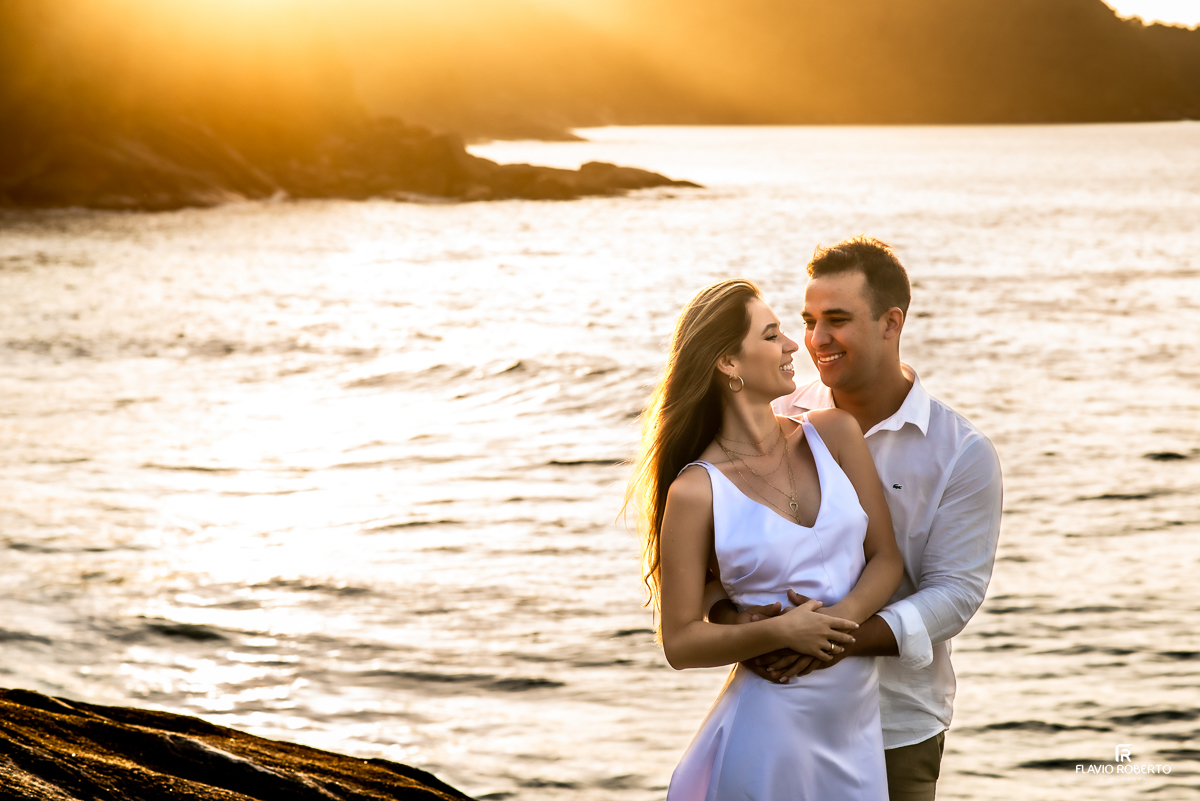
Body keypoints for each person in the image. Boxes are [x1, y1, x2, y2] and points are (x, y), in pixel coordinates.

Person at [707, 237, 1004, 801]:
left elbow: (955, 593)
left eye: (836, 320)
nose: (816, 340)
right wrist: (745, 625)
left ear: (891, 323)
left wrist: (830, 638)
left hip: (896, 726)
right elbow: (712, 559)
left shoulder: (960, 452)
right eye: (809, 320)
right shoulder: (770, 415)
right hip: (777, 708)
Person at [624, 277, 904, 800]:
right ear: (728, 363)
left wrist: (826, 628)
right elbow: (680, 642)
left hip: (854, 731)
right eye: (772, 335)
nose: (793, 345)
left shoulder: (835, 433)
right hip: (768, 734)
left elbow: (886, 558)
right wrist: (779, 633)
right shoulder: (695, 491)